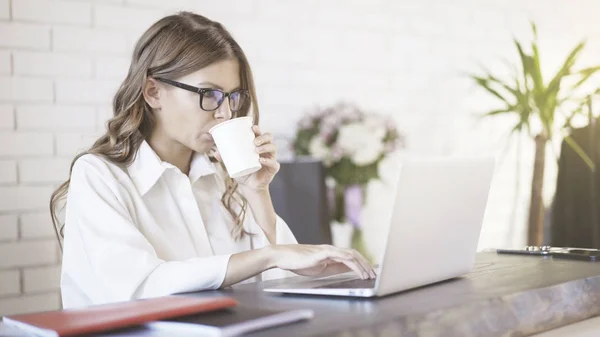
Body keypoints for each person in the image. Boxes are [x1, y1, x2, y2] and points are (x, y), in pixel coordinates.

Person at [49, 11, 375, 309]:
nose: (225, 112)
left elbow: (277, 278)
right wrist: (268, 256)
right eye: (209, 94)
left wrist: (257, 193)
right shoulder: (100, 176)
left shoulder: (219, 178)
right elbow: (137, 288)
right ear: (153, 92)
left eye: (233, 97)